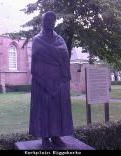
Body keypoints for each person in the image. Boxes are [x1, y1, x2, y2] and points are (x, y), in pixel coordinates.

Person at [29, 11, 74, 149]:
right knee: (44, 110)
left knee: (57, 110)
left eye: (53, 20)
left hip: (58, 80)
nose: (50, 22)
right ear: (42, 22)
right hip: (42, 80)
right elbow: (36, 61)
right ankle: (44, 138)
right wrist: (44, 79)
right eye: (47, 20)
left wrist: (65, 76)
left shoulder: (59, 39)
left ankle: (56, 136)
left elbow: (65, 56)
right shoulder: (37, 39)